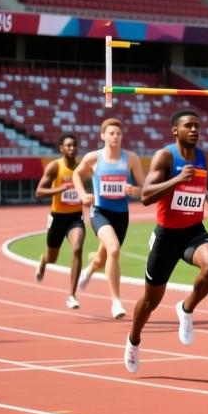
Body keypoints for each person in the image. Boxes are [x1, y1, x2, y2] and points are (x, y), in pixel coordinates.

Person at [124, 108, 208, 373]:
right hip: (166, 236)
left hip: (193, 231)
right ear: (175, 131)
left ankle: (186, 308)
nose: (194, 130)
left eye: (198, 126)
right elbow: (146, 196)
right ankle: (133, 340)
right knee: (150, 302)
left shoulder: (205, 157)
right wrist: (178, 178)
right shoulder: (166, 156)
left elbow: (207, 177)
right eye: (189, 125)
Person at [72, 118, 146, 319]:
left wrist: (135, 190)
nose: (115, 136)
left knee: (103, 256)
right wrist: (81, 194)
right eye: (111, 133)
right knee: (114, 249)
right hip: (100, 212)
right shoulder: (93, 158)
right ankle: (116, 303)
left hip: (121, 215)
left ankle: (89, 270)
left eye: (118, 134)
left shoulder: (131, 159)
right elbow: (77, 175)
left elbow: (146, 189)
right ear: (102, 135)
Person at [34, 134, 87, 309]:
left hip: (75, 218)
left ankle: (71, 295)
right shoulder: (54, 167)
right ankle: (43, 261)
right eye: (68, 146)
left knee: (77, 249)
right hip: (57, 218)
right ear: (61, 148)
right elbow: (39, 192)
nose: (72, 148)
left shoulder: (82, 168)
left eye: (75, 145)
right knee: (52, 258)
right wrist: (59, 189)